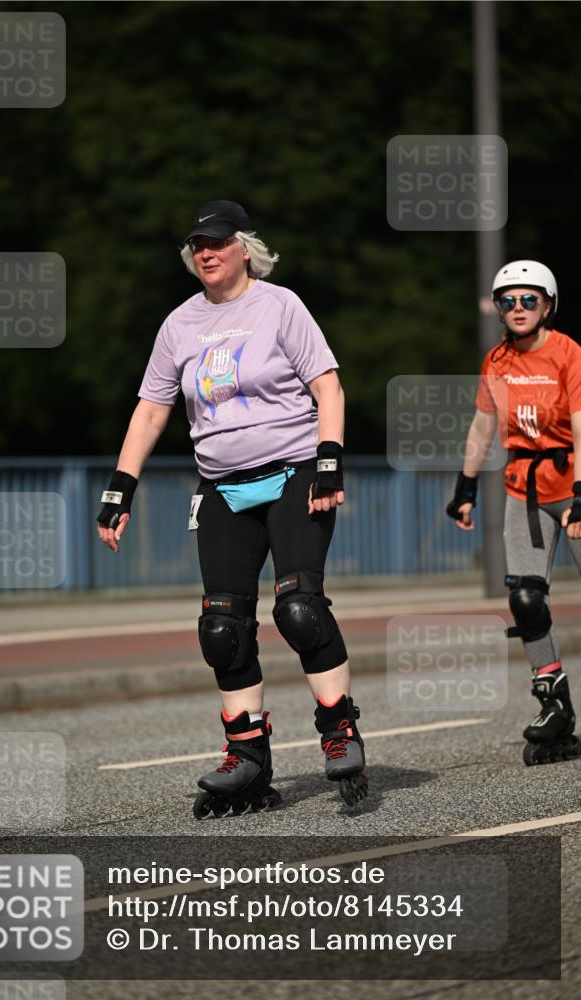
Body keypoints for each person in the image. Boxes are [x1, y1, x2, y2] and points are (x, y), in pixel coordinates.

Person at [97, 200, 367, 815]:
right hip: (222, 485)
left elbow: (327, 384)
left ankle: (338, 730)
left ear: (245, 247)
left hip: (296, 473)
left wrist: (329, 458)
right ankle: (247, 756)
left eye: (217, 241)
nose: (206, 251)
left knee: (298, 609)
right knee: (222, 628)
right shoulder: (178, 326)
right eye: (196, 244)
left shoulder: (280, 305)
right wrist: (120, 490)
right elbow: (151, 410)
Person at [446, 260, 581, 765]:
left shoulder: (567, 354)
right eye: (509, 301)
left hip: (572, 482)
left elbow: (579, 420)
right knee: (525, 599)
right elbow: (483, 428)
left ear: (547, 305)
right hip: (523, 488)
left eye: (529, 299)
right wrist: (465, 487)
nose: (519, 308)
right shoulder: (497, 361)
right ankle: (556, 707)